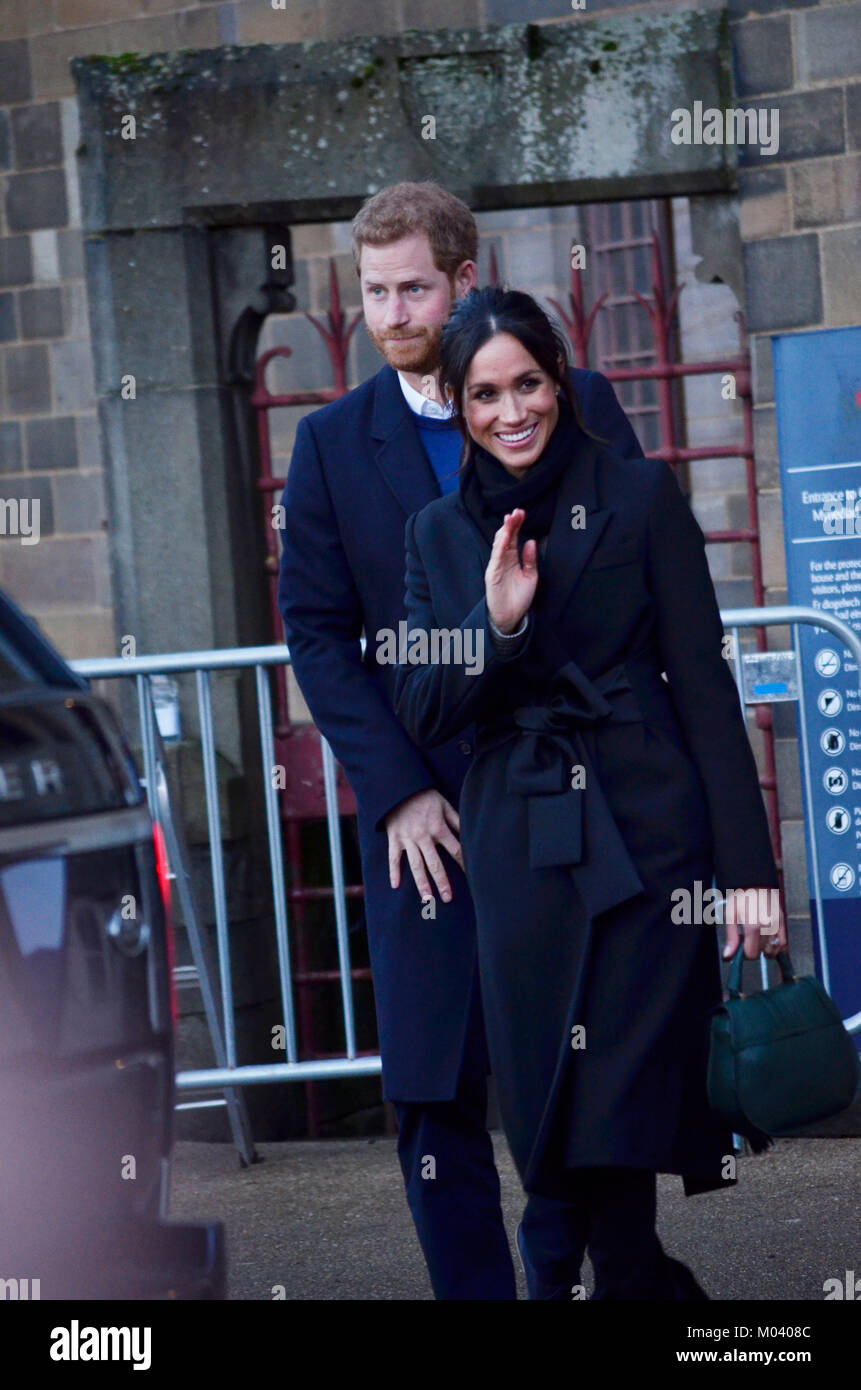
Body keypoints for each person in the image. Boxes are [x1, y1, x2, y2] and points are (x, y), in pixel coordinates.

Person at [278, 183, 646, 1300]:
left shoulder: (568, 401)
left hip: (564, 799)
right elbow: (319, 631)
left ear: (463, 281)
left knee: (587, 1063)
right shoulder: (334, 442)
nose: (393, 312)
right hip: (427, 820)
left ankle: (584, 1277)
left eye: (414, 288)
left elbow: (639, 586)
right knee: (438, 1086)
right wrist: (392, 791)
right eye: (376, 291)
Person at [393, 284, 788, 1300]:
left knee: (614, 1095)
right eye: (484, 394)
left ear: (559, 383)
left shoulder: (641, 496)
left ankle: (569, 1267)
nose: (510, 411)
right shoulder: (437, 535)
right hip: (522, 849)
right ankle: (639, 1281)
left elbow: (704, 686)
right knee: (546, 1098)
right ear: (459, 404)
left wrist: (748, 871)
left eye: (527, 383)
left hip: (649, 839)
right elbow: (425, 705)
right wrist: (496, 624)